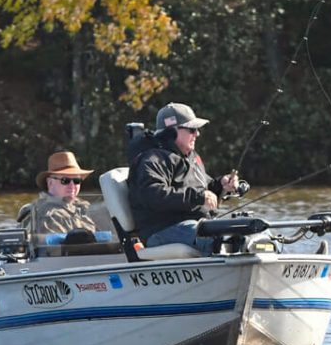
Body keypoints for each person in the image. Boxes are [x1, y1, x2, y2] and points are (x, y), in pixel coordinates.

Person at [127, 102, 240, 252]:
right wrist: (198, 197)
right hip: (161, 229)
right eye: (192, 129)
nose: (197, 134)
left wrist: (221, 185)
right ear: (172, 131)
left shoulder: (190, 158)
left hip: (192, 225)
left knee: (244, 234)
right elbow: (153, 195)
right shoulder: (152, 159)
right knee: (216, 240)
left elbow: (204, 188)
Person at [18, 150, 99, 239]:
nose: (72, 185)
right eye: (65, 180)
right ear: (50, 183)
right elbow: (55, 250)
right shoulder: (46, 214)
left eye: (77, 181)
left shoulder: (84, 207)